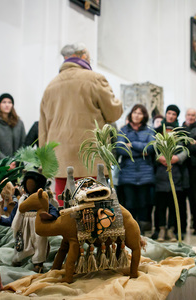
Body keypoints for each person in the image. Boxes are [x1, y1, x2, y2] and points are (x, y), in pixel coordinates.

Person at [39, 42, 123, 205]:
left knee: (65, 213)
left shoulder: (50, 86)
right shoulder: (94, 79)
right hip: (90, 159)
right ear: (83, 56)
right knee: (93, 212)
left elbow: (43, 129)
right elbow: (113, 113)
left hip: (60, 162)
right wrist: (118, 102)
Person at [116, 104, 155, 234]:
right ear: (131, 114)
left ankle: (142, 232)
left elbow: (150, 148)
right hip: (127, 173)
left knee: (144, 204)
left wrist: (132, 144)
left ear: (144, 116)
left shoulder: (149, 130)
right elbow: (120, 149)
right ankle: (131, 230)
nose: (137, 115)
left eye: (140, 113)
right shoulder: (123, 130)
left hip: (145, 174)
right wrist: (141, 151)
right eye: (134, 112)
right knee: (130, 204)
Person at [154, 104, 189, 242]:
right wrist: (160, 157)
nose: (171, 116)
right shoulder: (157, 131)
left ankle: (172, 230)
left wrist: (176, 158)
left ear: (176, 117)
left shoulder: (181, 132)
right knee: (160, 205)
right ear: (166, 114)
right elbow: (153, 148)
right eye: (169, 113)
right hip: (161, 173)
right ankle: (161, 229)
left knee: (175, 204)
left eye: (174, 114)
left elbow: (185, 149)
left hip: (176, 173)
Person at [182, 108, 196, 235]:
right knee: (183, 197)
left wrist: (188, 144)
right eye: (189, 114)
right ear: (185, 116)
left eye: (193, 115)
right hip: (182, 167)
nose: (191, 117)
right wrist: (192, 143)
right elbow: (184, 145)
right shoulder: (180, 129)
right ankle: (183, 227)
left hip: (195, 168)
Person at [0, 93, 26, 160]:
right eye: (4, 102)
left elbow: (23, 143)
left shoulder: (19, 123)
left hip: (16, 164)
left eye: (9, 102)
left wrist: (15, 160)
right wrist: (5, 160)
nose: (7, 105)